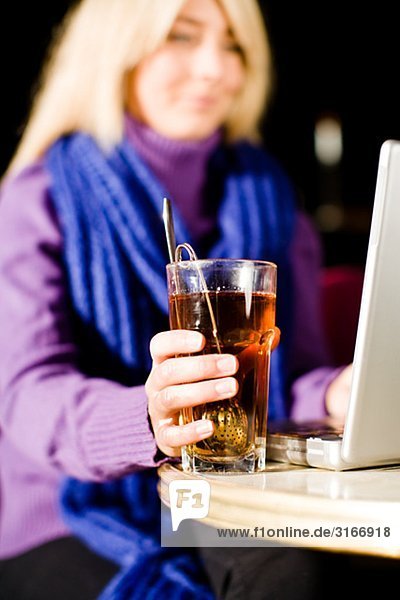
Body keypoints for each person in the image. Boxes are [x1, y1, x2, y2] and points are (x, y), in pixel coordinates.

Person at [0, 0, 353, 598]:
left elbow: (282, 378)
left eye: (234, 45)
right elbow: (25, 397)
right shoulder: (35, 199)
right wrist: (149, 418)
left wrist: (336, 393)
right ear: (117, 51)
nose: (216, 68)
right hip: (65, 510)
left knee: (298, 570)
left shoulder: (269, 193)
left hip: (224, 492)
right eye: (182, 37)